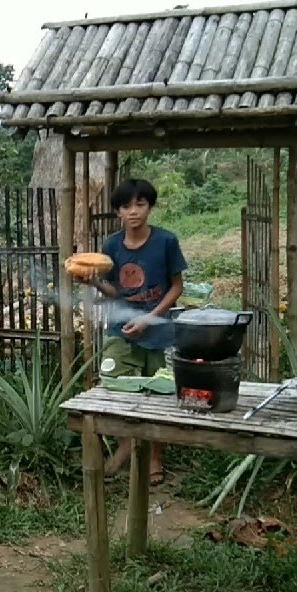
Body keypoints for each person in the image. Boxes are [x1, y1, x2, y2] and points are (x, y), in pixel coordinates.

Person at [73, 178, 188, 484]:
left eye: (141, 204)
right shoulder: (111, 245)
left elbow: (177, 287)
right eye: (126, 206)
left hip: (158, 331)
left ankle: (154, 459)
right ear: (118, 213)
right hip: (121, 331)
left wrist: (150, 318)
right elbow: (116, 291)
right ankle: (126, 445)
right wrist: (94, 282)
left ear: (150, 207)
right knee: (113, 386)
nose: (134, 211)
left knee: (158, 394)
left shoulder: (166, 242)